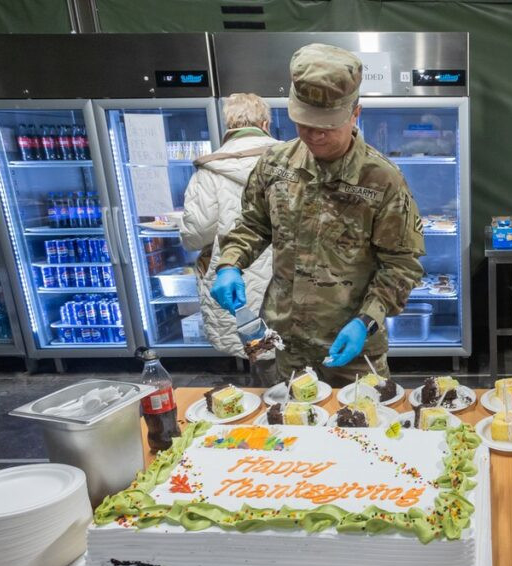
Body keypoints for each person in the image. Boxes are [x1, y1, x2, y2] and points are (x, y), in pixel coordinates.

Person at [210, 43, 424, 384]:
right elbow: (253, 224)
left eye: (327, 124)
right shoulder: (275, 165)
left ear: (356, 113)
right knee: (290, 433)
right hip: (286, 343)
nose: (314, 134)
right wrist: (230, 264)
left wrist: (366, 320)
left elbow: (401, 265)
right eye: (305, 123)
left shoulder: (382, 180)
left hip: (352, 348)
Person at [180, 93, 282, 383]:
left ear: (228, 124)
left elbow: (195, 234)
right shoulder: (290, 160)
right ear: (265, 123)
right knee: (292, 356)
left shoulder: (209, 170)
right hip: (288, 277)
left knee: (258, 350)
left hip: (234, 276)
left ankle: (266, 409)